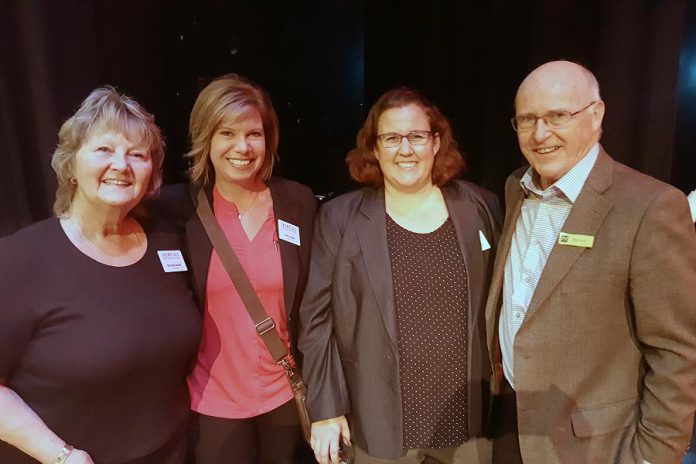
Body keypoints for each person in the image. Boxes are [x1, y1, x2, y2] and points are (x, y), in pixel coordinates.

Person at [485, 60, 696, 464]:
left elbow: (677, 352)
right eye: (527, 120)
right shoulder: (517, 187)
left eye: (557, 116)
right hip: (511, 429)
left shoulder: (649, 206)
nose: (540, 134)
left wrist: (654, 456)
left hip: (595, 447)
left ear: (596, 114)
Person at [299, 87, 502, 464]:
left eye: (416, 136)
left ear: (436, 141)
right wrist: (326, 407)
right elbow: (316, 320)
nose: (404, 149)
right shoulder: (340, 219)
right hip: (378, 424)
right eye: (391, 138)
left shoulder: (480, 207)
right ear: (374, 149)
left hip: (469, 426)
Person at [0, 87, 202, 463]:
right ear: (71, 164)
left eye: (137, 155)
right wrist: (61, 455)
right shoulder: (20, 260)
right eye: (104, 149)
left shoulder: (166, 242)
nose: (121, 165)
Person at [153, 74, 316, 464]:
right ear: (205, 138)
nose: (242, 147)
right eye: (226, 133)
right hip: (212, 405)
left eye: (253, 134)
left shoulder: (298, 202)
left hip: (284, 397)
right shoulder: (175, 211)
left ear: (268, 139)